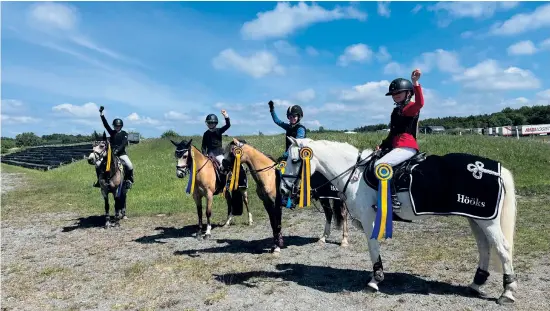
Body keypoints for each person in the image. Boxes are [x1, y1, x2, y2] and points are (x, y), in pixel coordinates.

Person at [374, 69, 424, 209]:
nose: (395, 95)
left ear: (408, 93)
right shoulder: (396, 111)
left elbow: (420, 103)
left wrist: (415, 82)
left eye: (398, 93)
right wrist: (382, 146)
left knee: (380, 165)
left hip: (406, 147)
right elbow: (393, 133)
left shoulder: (410, 108)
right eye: (393, 94)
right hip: (396, 146)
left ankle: (391, 198)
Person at [93, 106, 134, 188]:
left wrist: (117, 150)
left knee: (130, 165)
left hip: (121, 154)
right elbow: (105, 125)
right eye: (115, 126)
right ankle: (99, 181)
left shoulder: (124, 134)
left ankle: (128, 180)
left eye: (118, 126)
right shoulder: (112, 132)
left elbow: (123, 144)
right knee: (98, 164)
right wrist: (101, 114)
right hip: (110, 154)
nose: (116, 127)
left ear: (121, 126)